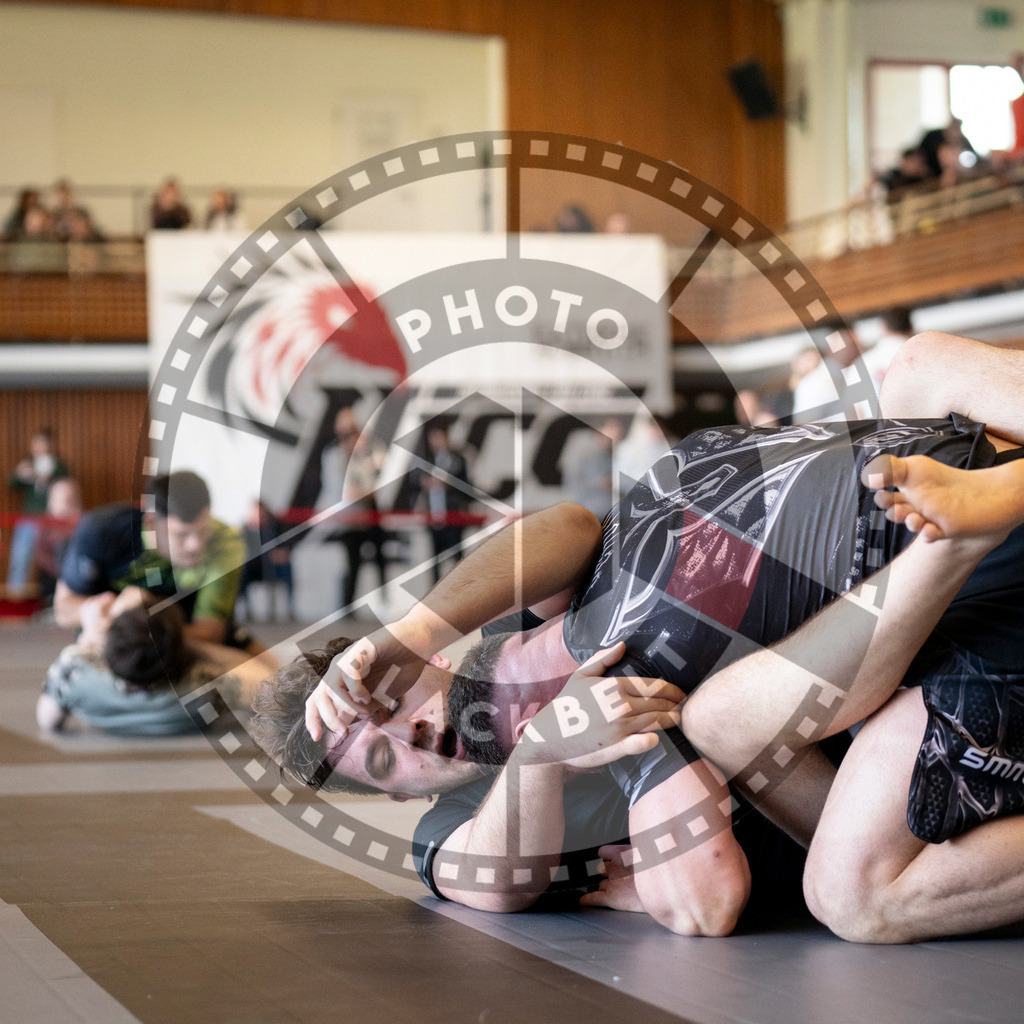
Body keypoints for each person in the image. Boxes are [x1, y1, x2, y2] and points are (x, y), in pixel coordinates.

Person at [257, 333, 1024, 940]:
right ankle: (956, 537)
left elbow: (566, 526)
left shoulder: (507, 641)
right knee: (829, 866)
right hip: (859, 724)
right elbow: (687, 900)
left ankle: (982, 509)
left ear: (421, 665)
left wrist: (407, 629)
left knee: (918, 368)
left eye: (393, 698)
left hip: (889, 553)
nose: (414, 730)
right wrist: (547, 749)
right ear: (390, 797)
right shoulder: (453, 828)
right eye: (388, 758)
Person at [38, 586, 275, 736]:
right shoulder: (205, 688)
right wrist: (187, 643)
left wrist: (88, 639)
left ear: (111, 646)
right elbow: (267, 678)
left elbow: (47, 718)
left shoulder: (74, 673)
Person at [54, 471, 251, 651]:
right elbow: (62, 609)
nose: (195, 545)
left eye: (202, 531)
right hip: (110, 643)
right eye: (181, 535)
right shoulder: (101, 531)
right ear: (151, 522)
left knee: (266, 670)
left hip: (185, 645)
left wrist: (139, 617)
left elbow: (210, 633)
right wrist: (90, 612)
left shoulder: (226, 542)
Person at [7, 428, 69, 595]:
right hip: (28, 517)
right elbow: (11, 486)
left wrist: (42, 478)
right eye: (36, 443)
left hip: (50, 519)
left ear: (50, 444)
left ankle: (56, 594)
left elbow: (65, 487)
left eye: (42, 442)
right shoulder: (27, 463)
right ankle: (15, 595)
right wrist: (19, 474)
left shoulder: (59, 465)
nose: (38, 446)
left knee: (53, 558)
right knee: (20, 556)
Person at [409, 422, 472, 585]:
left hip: (452, 518)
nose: (436, 441)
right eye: (433, 437)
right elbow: (415, 483)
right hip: (434, 519)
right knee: (434, 562)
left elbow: (466, 487)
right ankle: (434, 598)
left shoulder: (458, 459)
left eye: (438, 436)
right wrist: (426, 483)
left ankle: (462, 594)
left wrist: (447, 483)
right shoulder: (428, 461)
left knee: (458, 562)